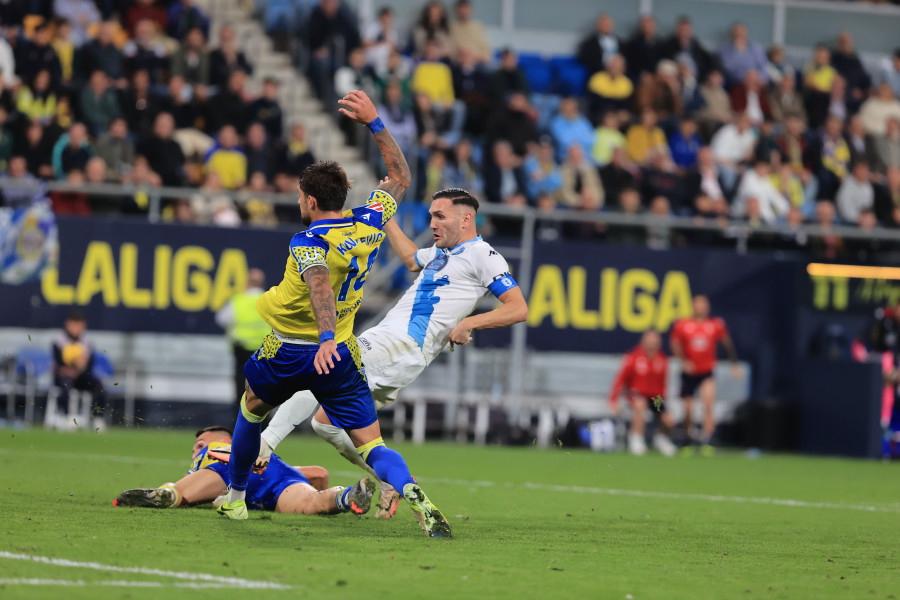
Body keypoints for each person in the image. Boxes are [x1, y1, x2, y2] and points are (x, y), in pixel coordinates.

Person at [219, 90, 452, 538]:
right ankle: (415, 497)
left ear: (309, 201)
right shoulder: (369, 219)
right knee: (374, 442)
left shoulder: (308, 242)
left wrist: (323, 337)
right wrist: (376, 122)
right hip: (343, 353)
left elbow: (320, 285)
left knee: (251, 409)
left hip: (292, 347)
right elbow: (401, 176)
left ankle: (234, 500)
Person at [257, 186, 528, 517]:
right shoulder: (444, 252)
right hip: (397, 352)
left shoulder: (484, 256)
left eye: (440, 216)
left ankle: (265, 443)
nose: (432, 223)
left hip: (399, 344)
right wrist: (384, 216)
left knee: (324, 368)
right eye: (431, 216)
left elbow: (517, 307)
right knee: (325, 424)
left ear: (466, 218)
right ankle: (393, 481)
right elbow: (412, 258)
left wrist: (470, 323)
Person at [113, 426, 375, 516]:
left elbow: (215, 462)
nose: (196, 451)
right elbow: (318, 474)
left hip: (230, 468)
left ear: (225, 442)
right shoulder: (268, 456)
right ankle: (346, 496)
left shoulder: (214, 453)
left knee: (180, 491)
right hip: (277, 475)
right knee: (312, 502)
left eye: (199, 445)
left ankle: (166, 493)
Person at [669, 295, 742, 455]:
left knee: (708, 403)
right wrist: (684, 361)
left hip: (707, 371)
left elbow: (727, 343)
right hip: (689, 373)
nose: (700, 307)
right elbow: (674, 344)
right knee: (688, 408)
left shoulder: (715, 325)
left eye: (703, 304)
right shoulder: (683, 325)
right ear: (692, 306)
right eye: (697, 304)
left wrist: (734, 364)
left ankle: (708, 438)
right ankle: (687, 438)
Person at [608, 330, 676, 457]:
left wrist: (661, 407)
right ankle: (636, 438)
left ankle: (661, 439)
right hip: (636, 395)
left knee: (669, 420)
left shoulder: (662, 359)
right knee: (640, 405)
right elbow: (620, 380)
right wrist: (613, 400)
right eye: (649, 340)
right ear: (643, 341)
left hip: (656, 398)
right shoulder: (633, 357)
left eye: (654, 340)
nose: (651, 343)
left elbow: (662, 384)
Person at [216, 268, 270, 410]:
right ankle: (263, 422)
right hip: (264, 350)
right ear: (262, 283)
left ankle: (240, 418)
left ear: (247, 282)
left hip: (242, 350)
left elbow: (222, 318)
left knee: (242, 386)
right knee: (264, 386)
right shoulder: (269, 300)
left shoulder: (238, 300)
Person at [51, 311, 105, 430]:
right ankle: (66, 416)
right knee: (66, 383)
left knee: (98, 385)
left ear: (83, 326)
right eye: (73, 325)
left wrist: (79, 368)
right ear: (67, 325)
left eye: (78, 325)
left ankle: (97, 417)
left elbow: (89, 364)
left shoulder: (87, 341)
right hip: (63, 376)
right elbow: (58, 364)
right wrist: (74, 365)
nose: (76, 329)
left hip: (81, 376)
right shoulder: (59, 341)